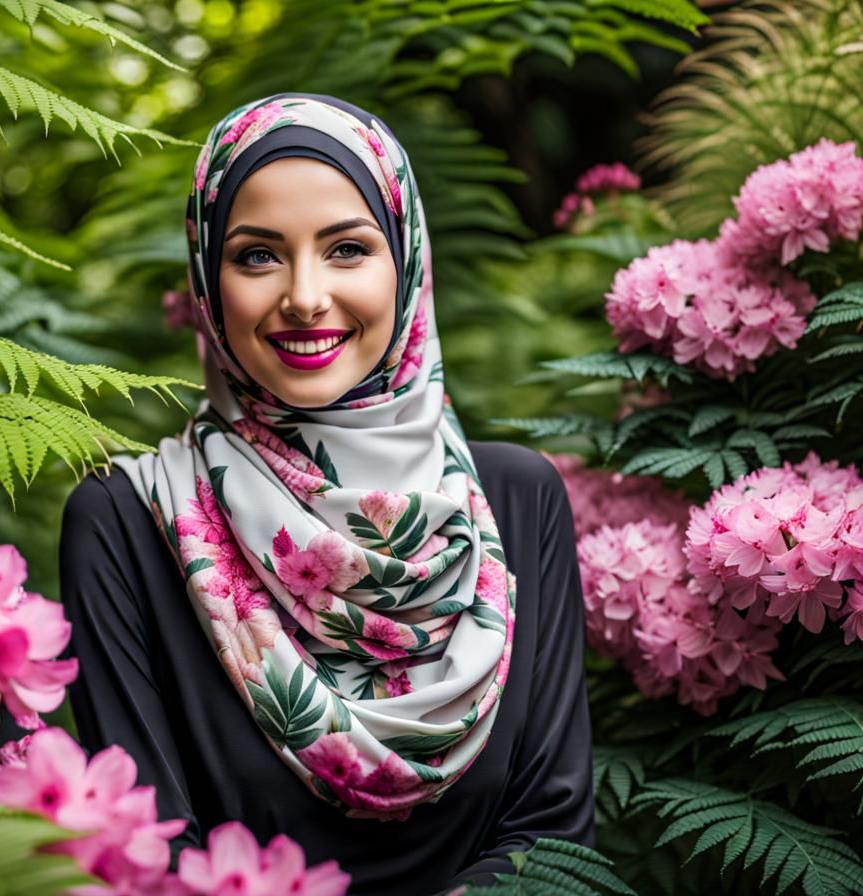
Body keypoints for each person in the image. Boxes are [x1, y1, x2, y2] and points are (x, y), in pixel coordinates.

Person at [58, 94, 594, 895]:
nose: (305, 296)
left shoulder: (518, 502)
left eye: (347, 249)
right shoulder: (125, 522)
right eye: (257, 256)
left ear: (406, 262)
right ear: (206, 279)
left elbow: (550, 844)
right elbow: (147, 864)